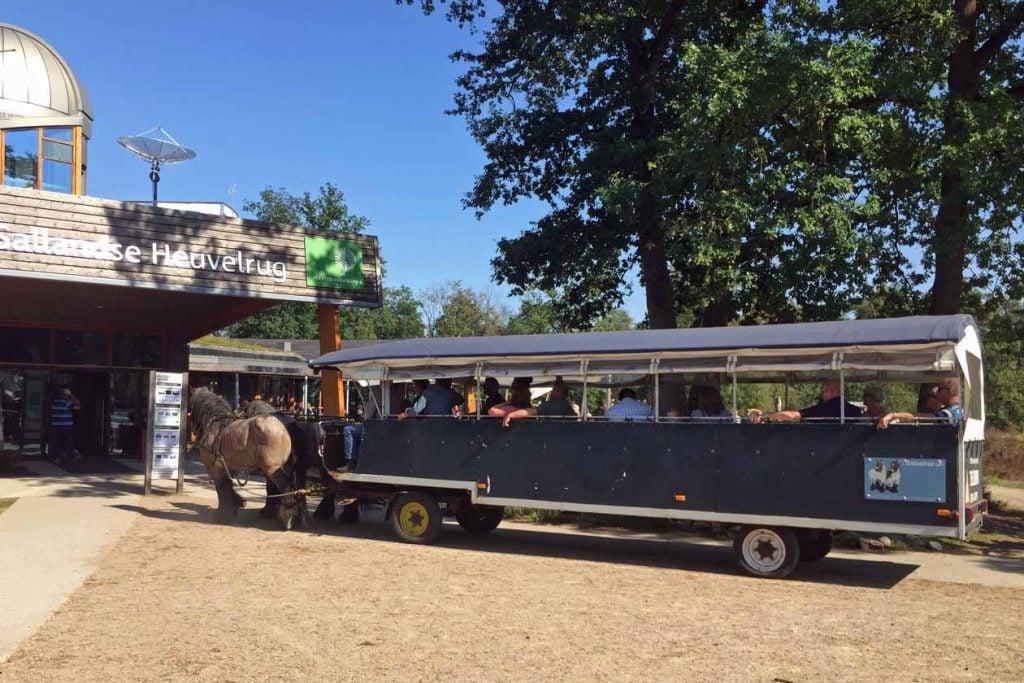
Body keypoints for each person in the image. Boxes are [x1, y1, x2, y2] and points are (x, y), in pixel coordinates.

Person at [751, 379, 863, 423]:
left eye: (825, 391)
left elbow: (795, 415)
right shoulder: (854, 410)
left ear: (833, 392)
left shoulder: (828, 407)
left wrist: (767, 415)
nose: (822, 394)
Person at [877, 377, 963, 430]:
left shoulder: (953, 412)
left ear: (951, 391)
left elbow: (921, 417)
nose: (937, 393)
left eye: (940, 389)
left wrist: (894, 415)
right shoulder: (957, 410)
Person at [49, 386, 80, 465]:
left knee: (55, 441)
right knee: (68, 441)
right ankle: (71, 455)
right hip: (66, 425)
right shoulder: (67, 403)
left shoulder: (54, 402)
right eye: (66, 395)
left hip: (55, 425)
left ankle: (55, 457)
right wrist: (72, 397)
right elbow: (77, 407)